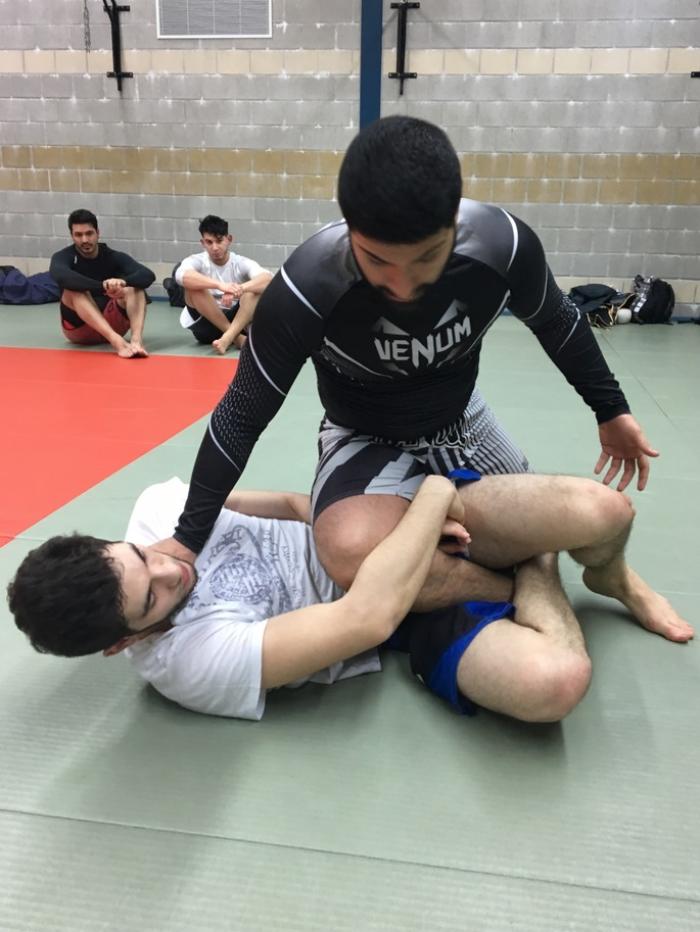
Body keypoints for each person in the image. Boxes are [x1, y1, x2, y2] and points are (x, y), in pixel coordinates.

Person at [161, 116, 659, 617]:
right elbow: (241, 415)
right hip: (361, 436)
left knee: (593, 516)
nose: (401, 286)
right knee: (350, 552)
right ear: (350, 230)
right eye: (377, 260)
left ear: (455, 224)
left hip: (461, 419)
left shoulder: (503, 247)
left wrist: (611, 409)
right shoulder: (305, 291)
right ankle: (511, 586)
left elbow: (557, 320)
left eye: (426, 258)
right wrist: (187, 540)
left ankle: (611, 575)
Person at [7, 472, 692, 722]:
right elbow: (369, 616)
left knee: (605, 511)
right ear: (124, 642)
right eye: (152, 600)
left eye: (141, 558)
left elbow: (288, 503)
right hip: (397, 616)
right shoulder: (188, 665)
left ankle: (608, 577)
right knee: (556, 682)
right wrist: (435, 495)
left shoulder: (160, 509)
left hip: (385, 528)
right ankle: (538, 563)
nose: (170, 571)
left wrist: (392, 518)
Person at [49, 209, 154, 358]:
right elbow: (60, 276)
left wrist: (123, 282)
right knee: (73, 290)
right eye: (78, 235)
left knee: (135, 288)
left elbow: (148, 275)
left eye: (89, 233)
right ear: (72, 236)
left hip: (113, 323)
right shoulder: (64, 256)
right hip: (80, 330)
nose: (84, 240)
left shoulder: (113, 256)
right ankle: (117, 342)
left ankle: (136, 342)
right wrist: (103, 286)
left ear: (98, 232)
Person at [174, 215, 272, 354]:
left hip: (237, 322)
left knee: (254, 292)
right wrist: (220, 286)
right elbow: (181, 276)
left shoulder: (240, 263)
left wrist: (239, 289)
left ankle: (227, 337)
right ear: (202, 243)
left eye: (219, 241)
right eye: (209, 242)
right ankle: (235, 338)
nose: (215, 247)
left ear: (229, 239)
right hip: (207, 327)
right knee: (193, 288)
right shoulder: (197, 260)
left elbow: (268, 280)